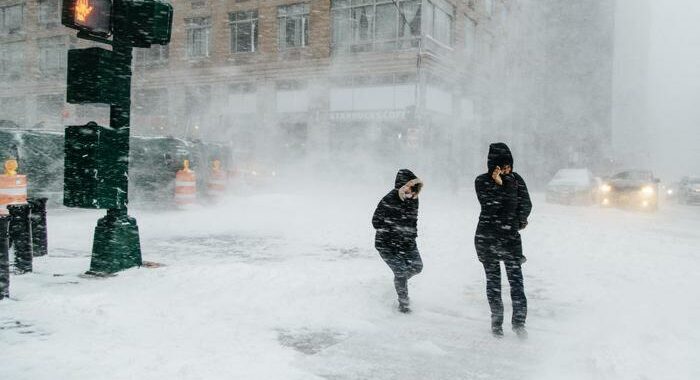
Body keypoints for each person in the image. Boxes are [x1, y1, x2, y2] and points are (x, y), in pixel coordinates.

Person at [474, 143, 532, 337]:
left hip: (510, 239)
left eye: (509, 165)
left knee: (517, 283)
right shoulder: (481, 181)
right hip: (487, 238)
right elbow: (491, 207)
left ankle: (519, 324)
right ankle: (497, 323)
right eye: (502, 166)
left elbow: (526, 203)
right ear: (493, 166)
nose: (507, 169)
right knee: (494, 283)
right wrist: (500, 184)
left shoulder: (517, 180)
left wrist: (518, 221)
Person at [372, 169, 424, 313]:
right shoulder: (389, 199)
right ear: (401, 186)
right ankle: (404, 304)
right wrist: (393, 228)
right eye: (409, 188)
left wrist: (410, 236)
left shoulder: (414, 199)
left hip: (407, 242)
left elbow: (413, 221)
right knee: (400, 272)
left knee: (417, 267)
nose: (412, 193)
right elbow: (375, 222)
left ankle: (399, 281)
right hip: (386, 244)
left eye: (414, 189)